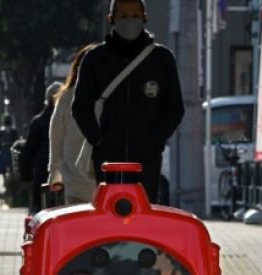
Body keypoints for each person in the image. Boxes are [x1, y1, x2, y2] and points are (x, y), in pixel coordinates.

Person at [72, 0, 184, 204]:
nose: (130, 20)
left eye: (135, 15)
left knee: (143, 220)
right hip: (107, 161)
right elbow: (80, 107)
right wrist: (98, 140)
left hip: (146, 161)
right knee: (109, 218)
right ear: (111, 19)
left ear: (145, 17)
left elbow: (174, 108)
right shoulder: (95, 59)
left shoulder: (162, 59)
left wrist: (155, 141)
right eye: (123, 16)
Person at [48, 44, 98, 204]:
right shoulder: (116, 98)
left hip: (74, 184)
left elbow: (56, 138)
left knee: (77, 227)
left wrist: (54, 174)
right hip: (106, 184)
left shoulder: (66, 98)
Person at [19, 82, 61, 214]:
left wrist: (26, 176)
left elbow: (28, 150)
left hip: (42, 171)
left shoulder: (38, 121)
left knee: (39, 208)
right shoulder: (70, 120)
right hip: (67, 173)